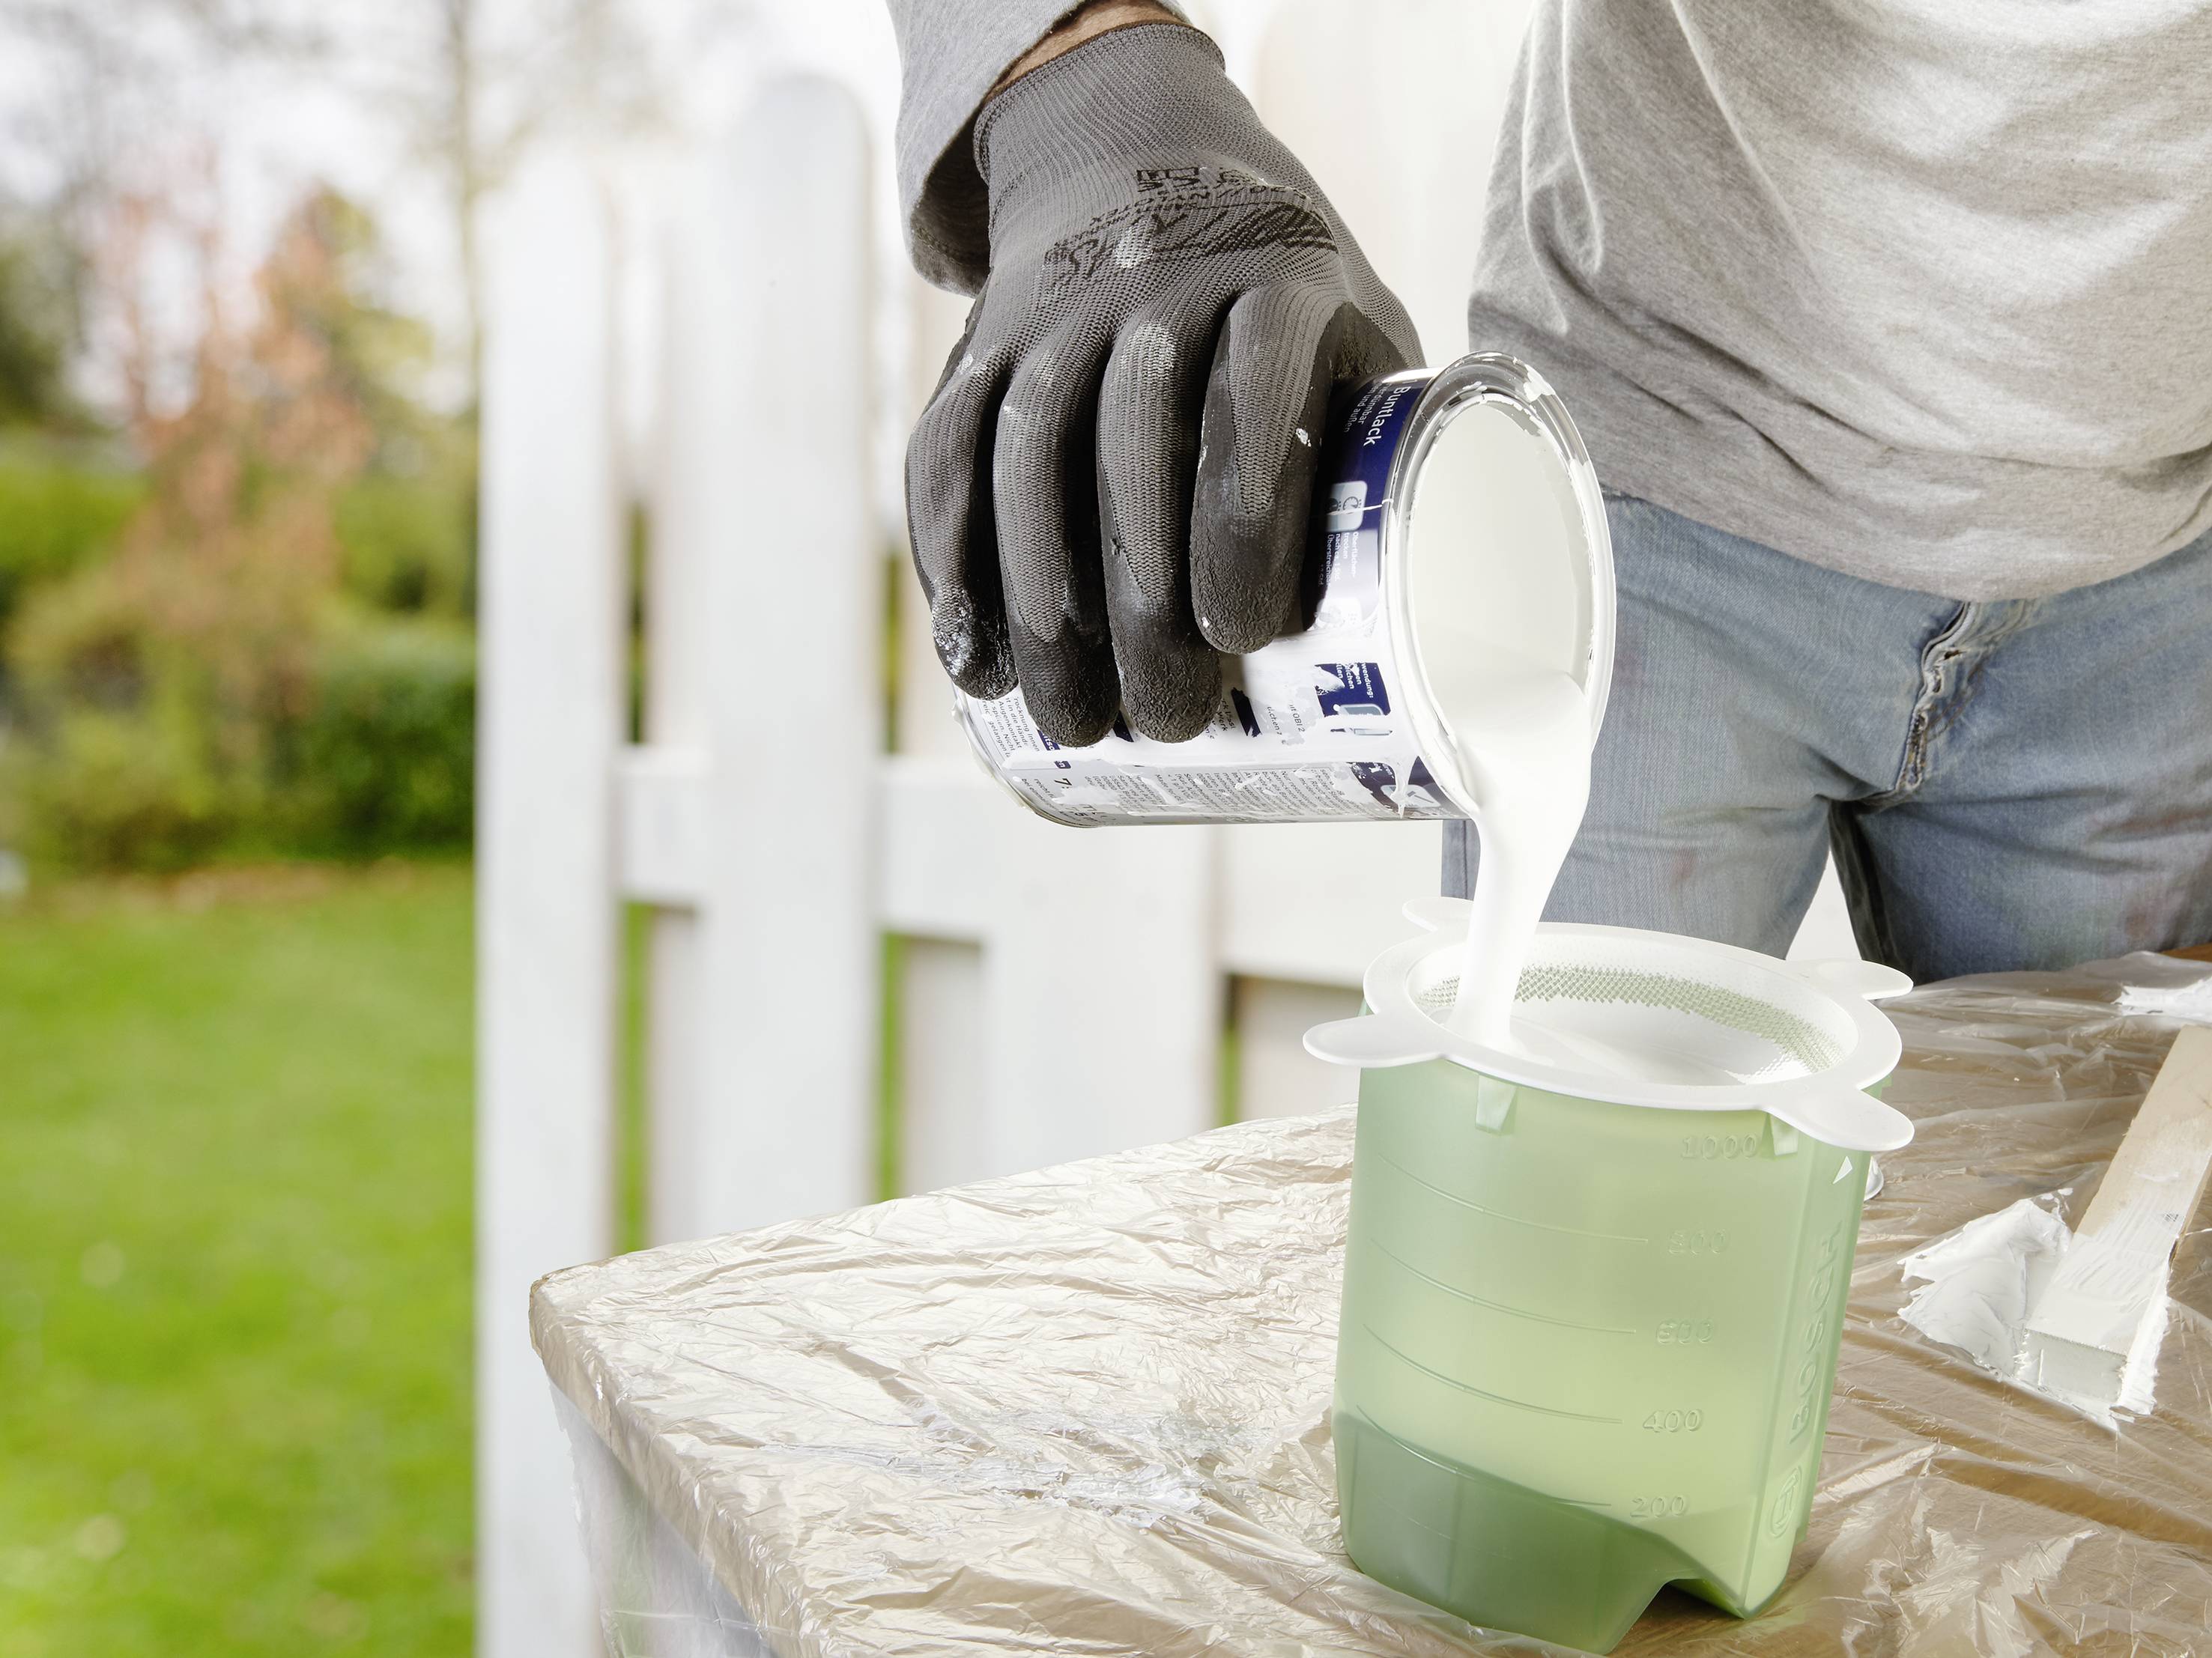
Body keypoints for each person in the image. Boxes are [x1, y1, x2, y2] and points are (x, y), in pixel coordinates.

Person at [885, 0, 2212, 984]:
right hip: (1647, 504)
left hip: (2152, 558)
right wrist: (1080, 68)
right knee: (1559, 1235)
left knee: (2126, 1250)